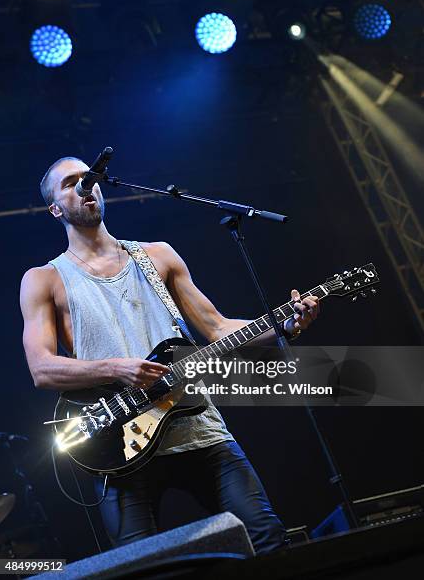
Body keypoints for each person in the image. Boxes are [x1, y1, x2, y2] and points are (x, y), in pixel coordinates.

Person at [20, 156, 319, 555]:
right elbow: (41, 368)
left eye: (89, 179)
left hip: (198, 426)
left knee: (267, 540)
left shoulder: (156, 255)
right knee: (141, 565)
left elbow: (217, 328)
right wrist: (115, 367)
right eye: (70, 183)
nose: (84, 185)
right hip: (119, 444)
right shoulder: (45, 278)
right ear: (56, 208)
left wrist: (281, 325)